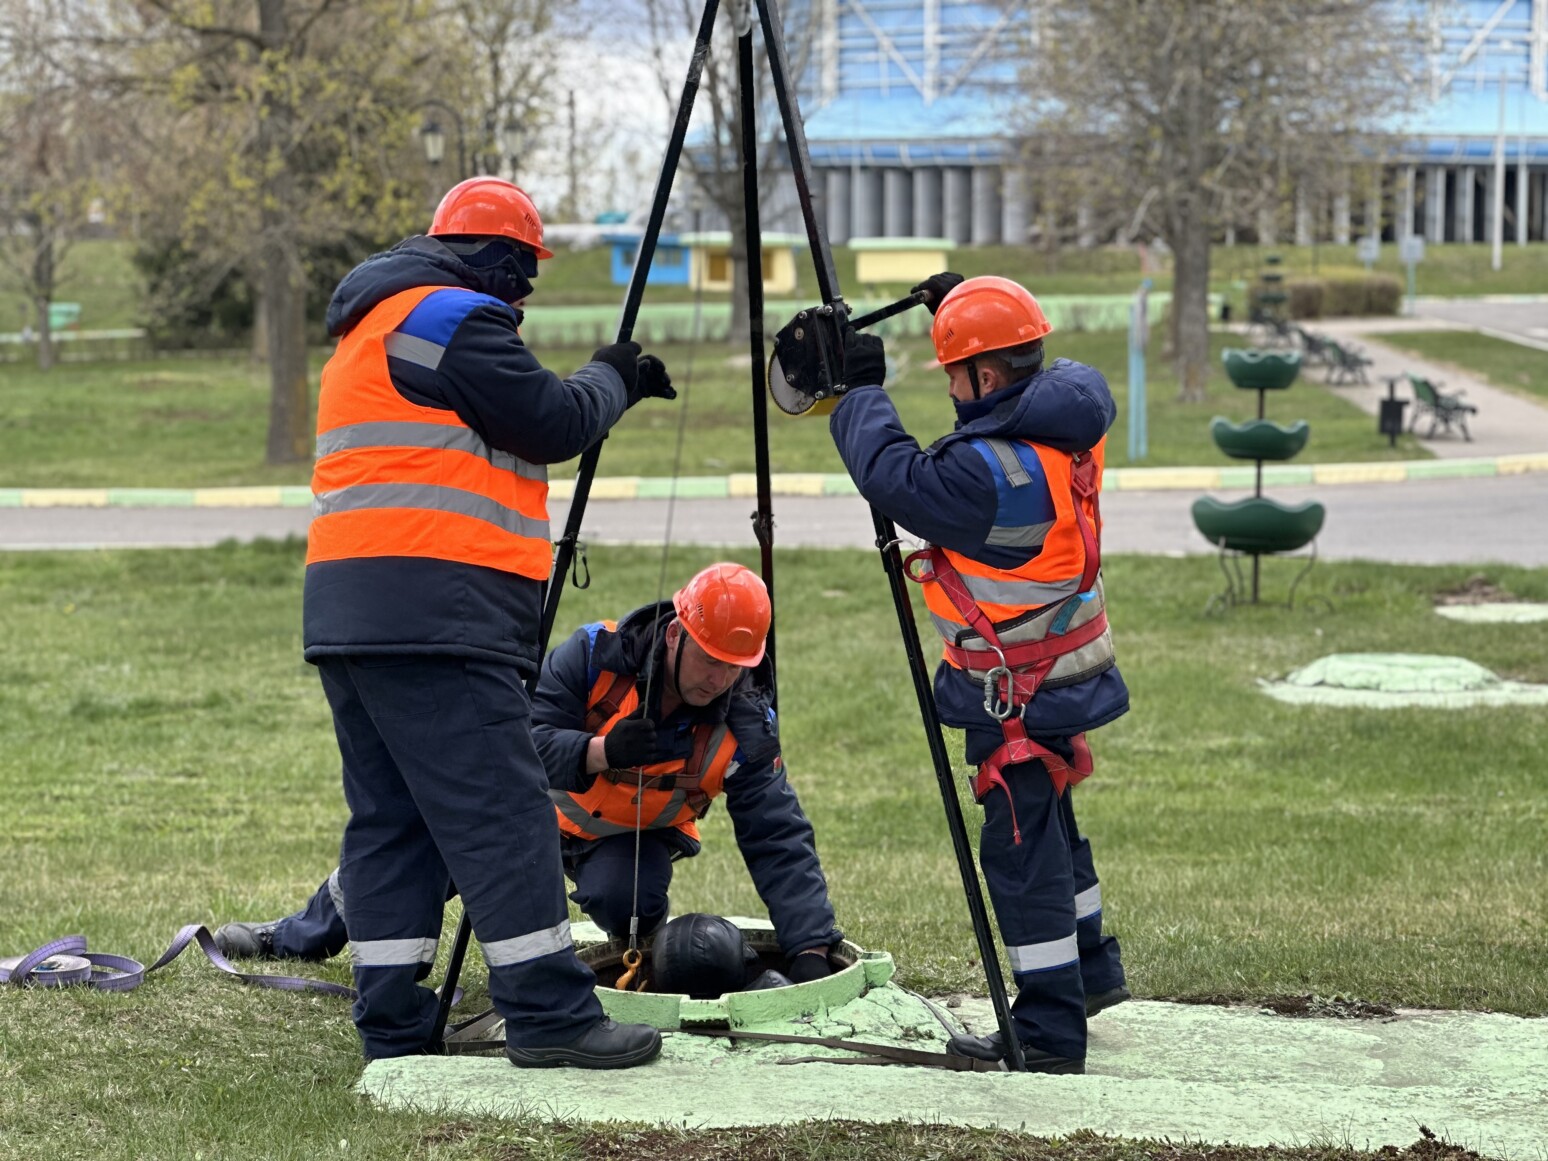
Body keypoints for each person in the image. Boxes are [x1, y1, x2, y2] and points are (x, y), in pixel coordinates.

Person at [298, 175, 675, 1069]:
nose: (522, 299)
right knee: (506, 813)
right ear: (497, 259)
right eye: (522, 278)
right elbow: (551, 419)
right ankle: (550, 1014)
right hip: (440, 616)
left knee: (393, 820)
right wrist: (611, 376)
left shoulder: (373, 326)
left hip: (354, 617)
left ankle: (391, 1021)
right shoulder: (446, 318)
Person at [217, 564, 842, 988]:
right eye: (710, 659)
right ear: (678, 632)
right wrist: (599, 751)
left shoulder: (746, 721)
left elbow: (777, 834)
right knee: (416, 864)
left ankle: (640, 955)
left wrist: (811, 948)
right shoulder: (594, 654)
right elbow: (515, 745)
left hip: (628, 840)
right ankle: (294, 937)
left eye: (736, 667)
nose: (719, 680)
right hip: (528, 811)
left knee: (634, 903)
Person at [823, 273, 1130, 1074]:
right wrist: (966, 310)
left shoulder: (993, 479)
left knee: (1023, 855)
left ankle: (1050, 1033)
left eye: (958, 373)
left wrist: (859, 393)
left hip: (1019, 694)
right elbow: (983, 435)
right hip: (1063, 673)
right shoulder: (1070, 412)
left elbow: (894, 478)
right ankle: (1092, 971)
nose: (952, 390)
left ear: (986, 378)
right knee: (1054, 825)